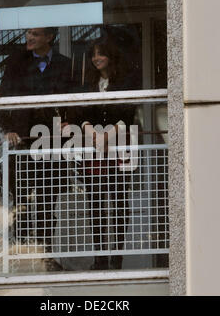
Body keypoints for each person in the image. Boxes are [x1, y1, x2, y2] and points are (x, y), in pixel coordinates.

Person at [0, 27, 76, 257]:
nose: (29, 37)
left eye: (36, 34)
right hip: (23, 143)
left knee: (48, 202)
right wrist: (7, 129)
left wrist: (69, 123)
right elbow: (3, 98)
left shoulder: (64, 63)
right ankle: (20, 254)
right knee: (21, 201)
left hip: (52, 144)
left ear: (49, 37)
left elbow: (72, 101)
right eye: (28, 33)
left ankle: (45, 255)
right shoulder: (17, 63)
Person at [73, 36, 137, 270]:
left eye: (100, 54)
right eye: (93, 55)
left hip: (118, 147)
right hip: (94, 150)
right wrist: (91, 131)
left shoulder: (125, 81)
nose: (96, 58)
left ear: (111, 56)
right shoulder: (89, 84)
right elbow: (82, 115)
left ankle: (116, 258)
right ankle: (100, 257)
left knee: (119, 202)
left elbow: (127, 114)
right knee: (96, 202)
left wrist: (106, 136)